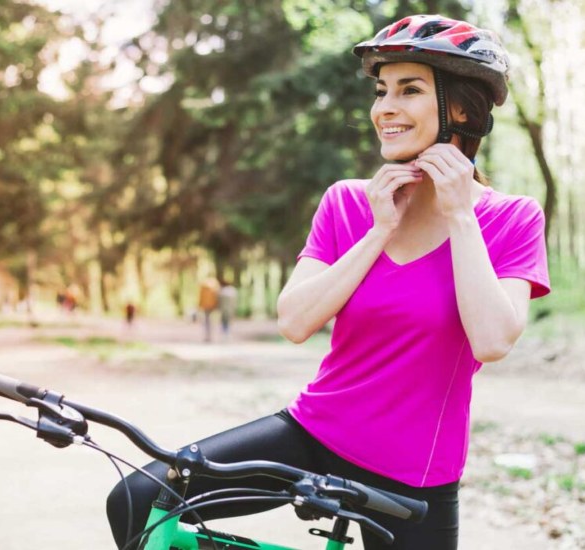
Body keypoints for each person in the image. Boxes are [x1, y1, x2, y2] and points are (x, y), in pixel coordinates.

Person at [106, 15, 550, 550]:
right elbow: (295, 321)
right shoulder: (348, 201)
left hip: (415, 474)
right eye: (382, 90)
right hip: (314, 435)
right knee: (138, 501)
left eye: (409, 90)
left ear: (461, 109)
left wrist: (460, 216)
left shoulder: (513, 218)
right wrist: (378, 230)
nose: (384, 107)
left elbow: (494, 340)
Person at [197, 276, 220, 342]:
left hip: (205, 306)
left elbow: (201, 296)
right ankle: (210, 336)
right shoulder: (214, 285)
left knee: (207, 321)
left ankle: (207, 336)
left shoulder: (204, 285)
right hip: (212, 306)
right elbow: (216, 296)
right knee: (211, 321)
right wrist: (216, 305)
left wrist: (199, 305)